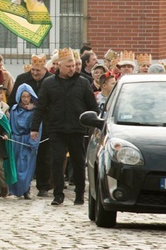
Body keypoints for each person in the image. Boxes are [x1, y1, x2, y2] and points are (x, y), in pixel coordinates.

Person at [31, 47, 98, 206]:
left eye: (74, 65)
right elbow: (40, 107)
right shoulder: (48, 83)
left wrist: (94, 125)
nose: (72, 68)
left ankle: (80, 194)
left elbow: (92, 106)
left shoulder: (83, 83)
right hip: (56, 129)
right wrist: (34, 128)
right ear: (58, 66)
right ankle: (58, 194)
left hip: (77, 129)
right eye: (68, 66)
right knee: (56, 161)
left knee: (78, 162)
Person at [7, 83, 41, 199]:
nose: (26, 99)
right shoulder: (14, 110)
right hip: (16, 141)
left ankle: (26, 189)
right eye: (23, 97)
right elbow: (10, 125)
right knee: (15, 166)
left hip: (27, 141)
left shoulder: (34, 111)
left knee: (27, 167)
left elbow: (37, 128)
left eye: (28, 96)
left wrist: (33, 143)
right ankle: (14, 190)